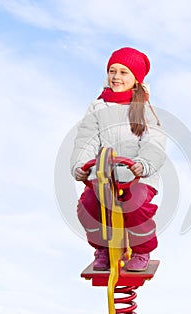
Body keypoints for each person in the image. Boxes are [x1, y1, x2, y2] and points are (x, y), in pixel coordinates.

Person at [70, 47, 166, 271]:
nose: (116, 77)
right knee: (88, 206)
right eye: (112, 71)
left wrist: (143, 165)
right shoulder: (98, 107)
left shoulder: (144, 109)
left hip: (138, 177)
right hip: (104, 175)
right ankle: (103, 249)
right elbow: (87, 139)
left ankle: (141, 250)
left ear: (136, 79)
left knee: (134, 206)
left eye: (123, 72)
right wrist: (80, 165)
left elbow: (154, 144)